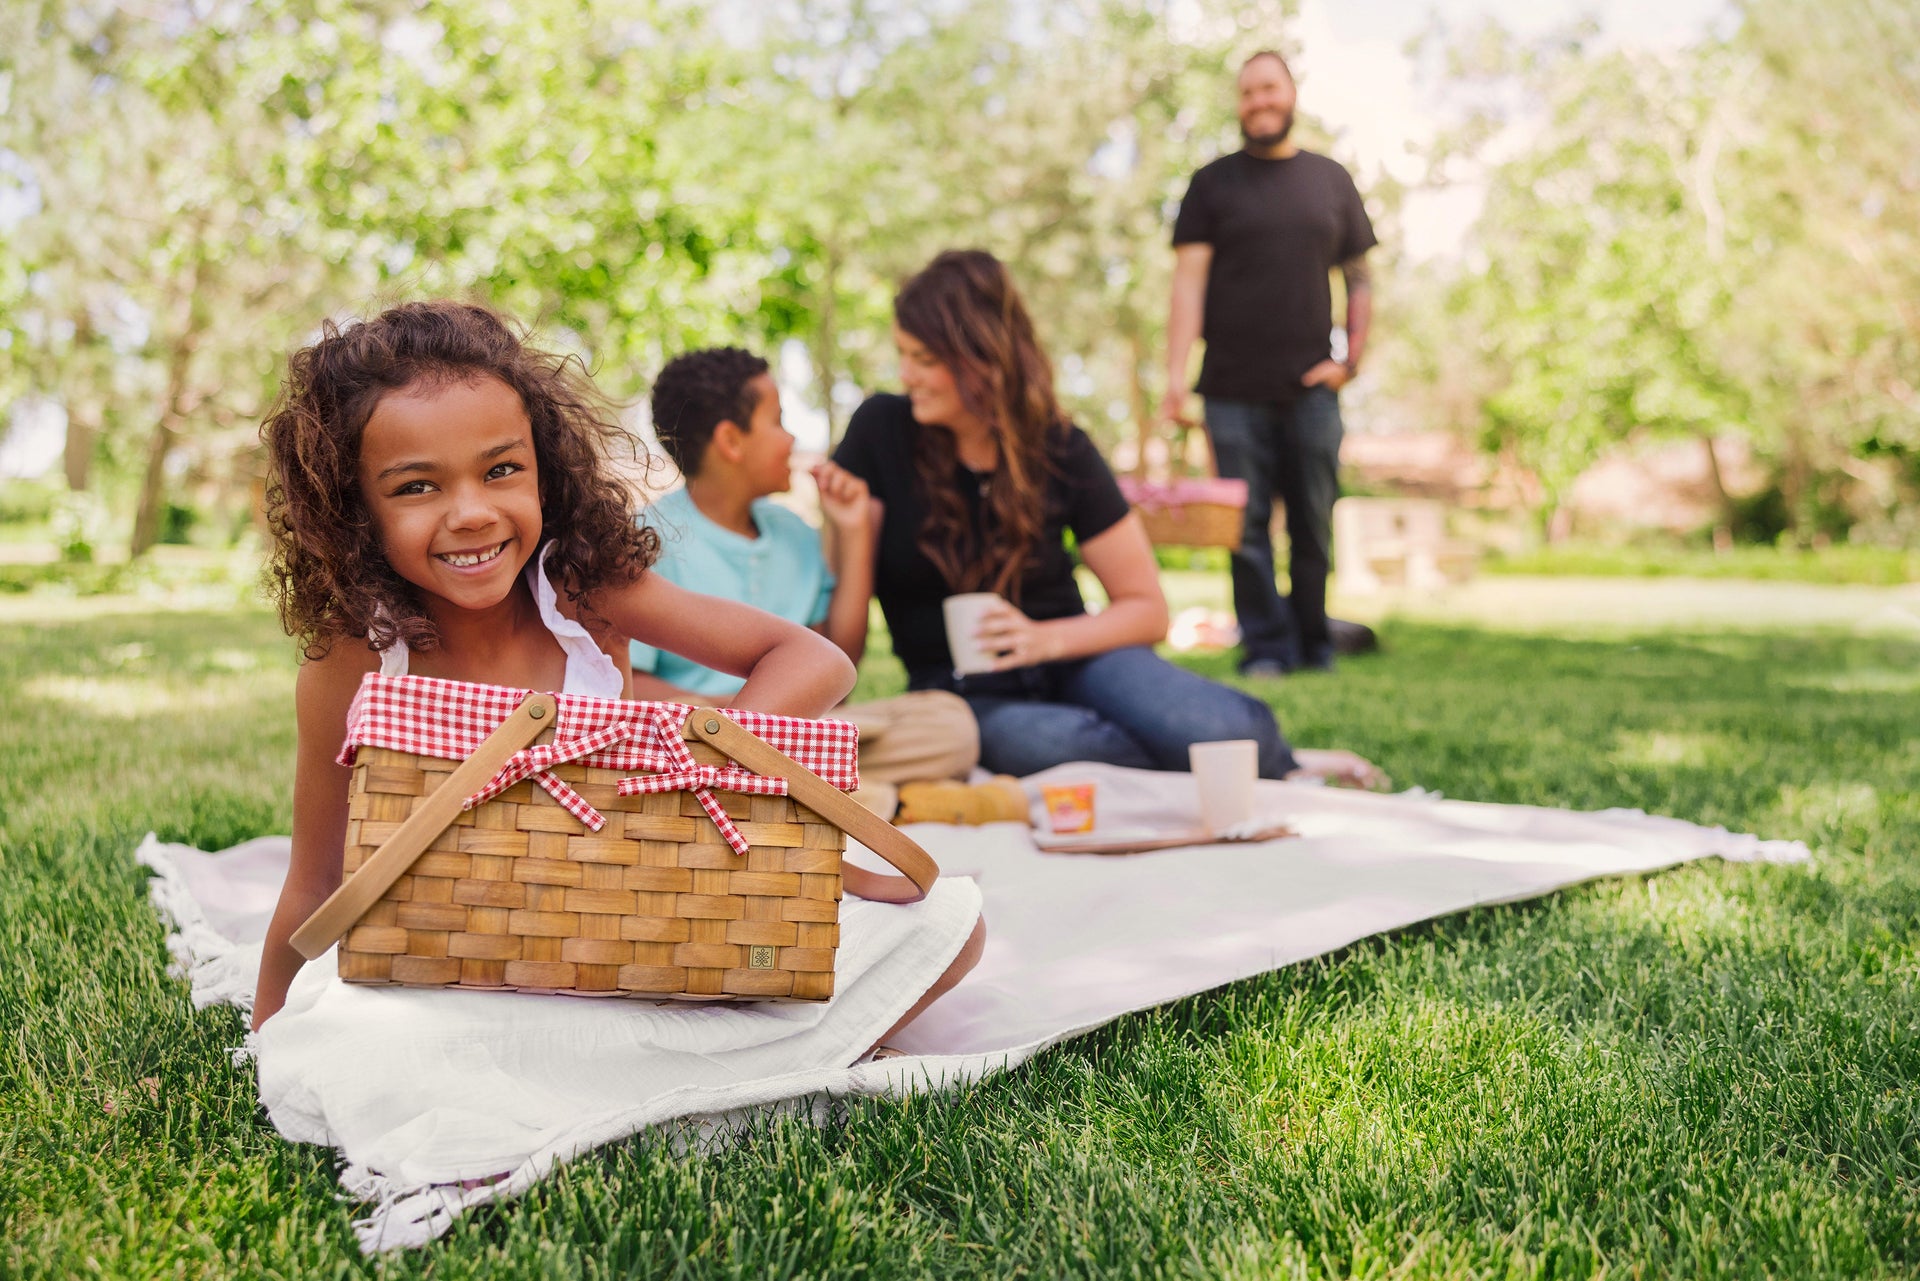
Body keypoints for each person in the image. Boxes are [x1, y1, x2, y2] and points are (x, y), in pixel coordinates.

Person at [249, 300, 984, 1037]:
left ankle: (664, 1057)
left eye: (502, 469)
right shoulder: (357, 652)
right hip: (464, 977)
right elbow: (314, 879)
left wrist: (699, 763)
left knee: (950, 923)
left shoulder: (584, 591)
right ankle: (726, 1061)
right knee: (373, 1035)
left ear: (545, 471)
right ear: (353, 508)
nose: (471, 512)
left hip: (636, 947)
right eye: (417, 486)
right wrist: (269, 1039)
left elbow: (814, 658)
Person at [834, 249, 1383, 786]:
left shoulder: (1057, 445)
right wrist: (853, 531)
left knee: (1226, 728)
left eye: (925, 359)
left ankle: (1238, 756)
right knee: (1061, 746)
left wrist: (1041, 639)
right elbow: (844, 652)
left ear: (984, 356)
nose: (907, 375)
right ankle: (1242, 765)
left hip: (1081, 658)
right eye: (904, 355)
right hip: (962, 691)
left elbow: (1147, 612)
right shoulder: (881, 432)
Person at [632, 346, 984, 818]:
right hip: (703, 731)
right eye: (778, 421)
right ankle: (874, 801)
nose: (792, 437)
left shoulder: (793, 533)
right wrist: (746, 710)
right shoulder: (647, 540)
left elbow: (841, 657)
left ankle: (810, 795)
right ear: (732, 442)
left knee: (951, 723)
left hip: (804, 733)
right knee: (695, 733)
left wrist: (855, 531)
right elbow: (627, 684)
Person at [1161, 49, 1378, 676]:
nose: (1259, 101)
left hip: (1312, 386)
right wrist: (1175, 380)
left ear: (1291, 94)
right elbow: (1187, 286)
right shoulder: (1211, 184)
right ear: (1238, 103)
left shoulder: (1331, 180)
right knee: (1246, 526)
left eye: (1269, 89)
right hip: (1229, 388)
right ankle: (1265, 648)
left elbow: (1360, 277)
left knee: (1313, 521)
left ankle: (1314, 642)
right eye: (1247, 92)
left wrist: (1351, 360)